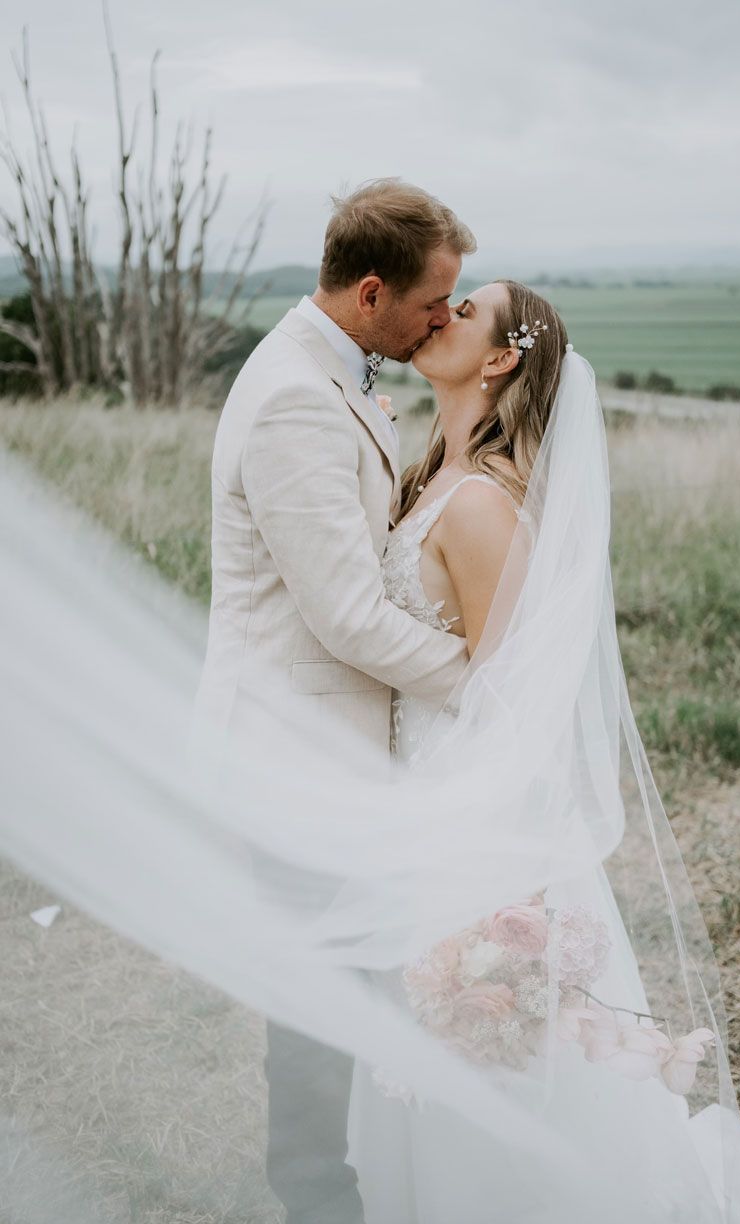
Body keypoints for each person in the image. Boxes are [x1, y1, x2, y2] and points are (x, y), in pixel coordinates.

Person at [343, 278, 740, 1223]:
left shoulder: (479, 507)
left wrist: (479, 866)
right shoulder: (430, 471)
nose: (437, 315)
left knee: (484, 1053)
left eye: (462, 310)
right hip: (414, 801)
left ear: (501, 359)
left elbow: (516, 707)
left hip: (465, 823)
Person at [195, 179, 475, 1224]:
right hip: (293, 756)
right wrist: (484, 688)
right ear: (370, 293)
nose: (442, 321)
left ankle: (375, 1176)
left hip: (334, 753)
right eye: (430, 304)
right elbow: (349, 616)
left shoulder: (337, 375)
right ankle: (318, 1201)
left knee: (367, 986)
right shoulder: (292, 402)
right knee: (316, 1009)